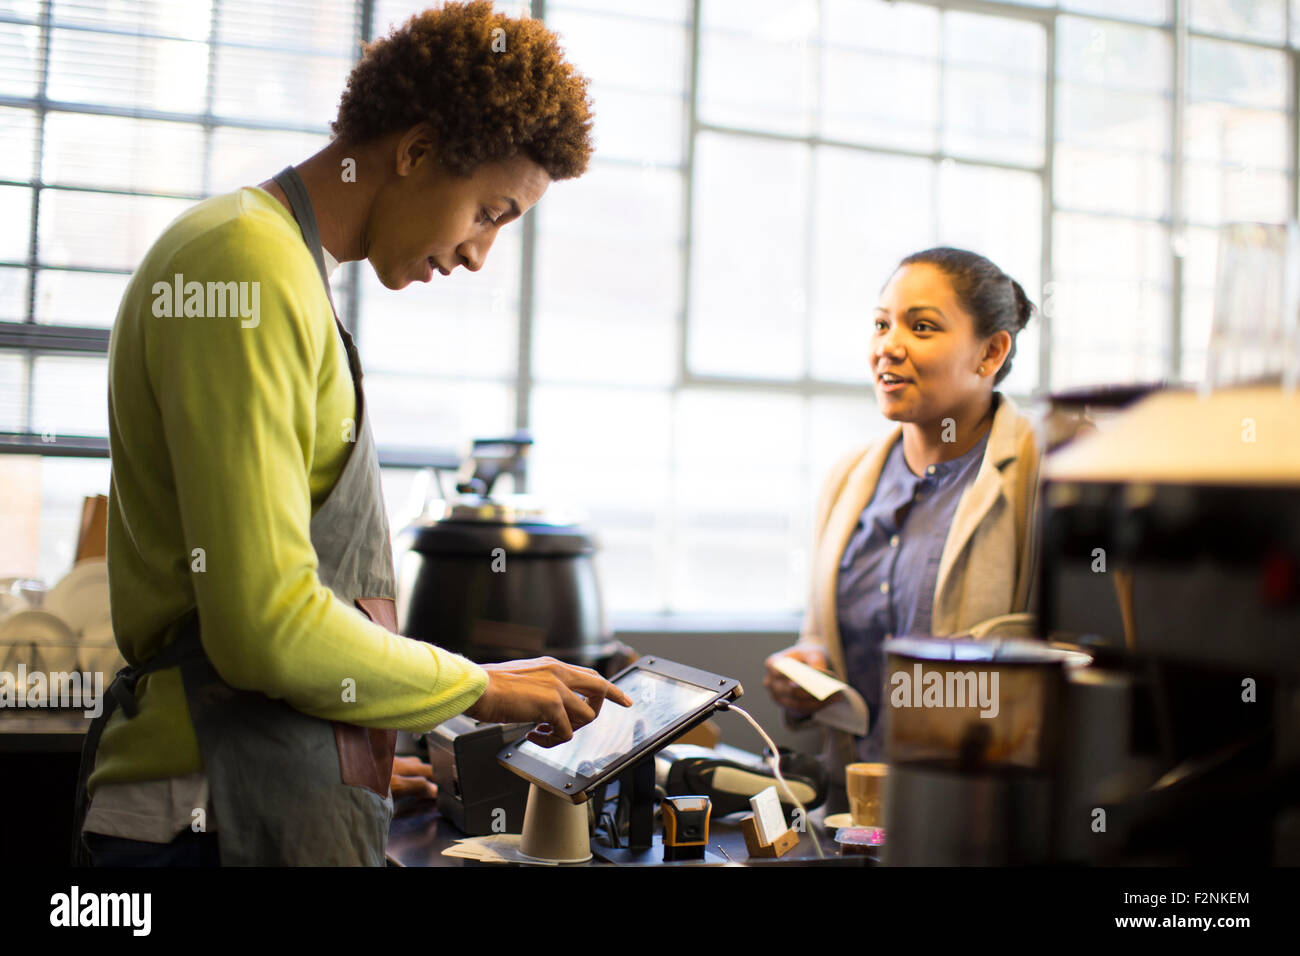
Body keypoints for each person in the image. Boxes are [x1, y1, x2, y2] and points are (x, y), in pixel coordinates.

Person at [74, 1, 631, 867]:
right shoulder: (243, 265)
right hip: (203, 817)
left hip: (259, 790)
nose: (481, 253)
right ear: (413, 152)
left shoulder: (280, 267)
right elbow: (264, 625)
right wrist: (479, 689)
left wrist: (355, 750)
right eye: (490, 211)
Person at [764, 247, 1042, 803]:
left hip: (981, 815)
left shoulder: (1043, 476)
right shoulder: (848, 479)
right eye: (880, 324)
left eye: (921, 327)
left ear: (990, 352)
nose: (887, 346)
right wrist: (806, 673)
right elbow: (823, 638)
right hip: (852, 812)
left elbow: (1062, 673)